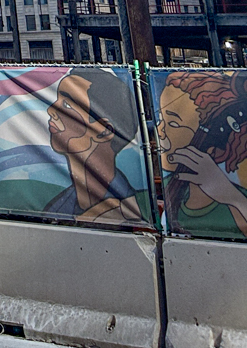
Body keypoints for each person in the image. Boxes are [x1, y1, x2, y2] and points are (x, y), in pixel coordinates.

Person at [44, 67, 145, 225]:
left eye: (67, 105)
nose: (51, 110)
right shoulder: (56, 208)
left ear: (104, 131)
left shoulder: (135, 210)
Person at [157, 71, 247, 240]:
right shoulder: (163, 189)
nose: (159, 132)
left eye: (174, 123)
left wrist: (233, 197)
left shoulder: (238, 198)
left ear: (214, 150)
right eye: (160, 120)